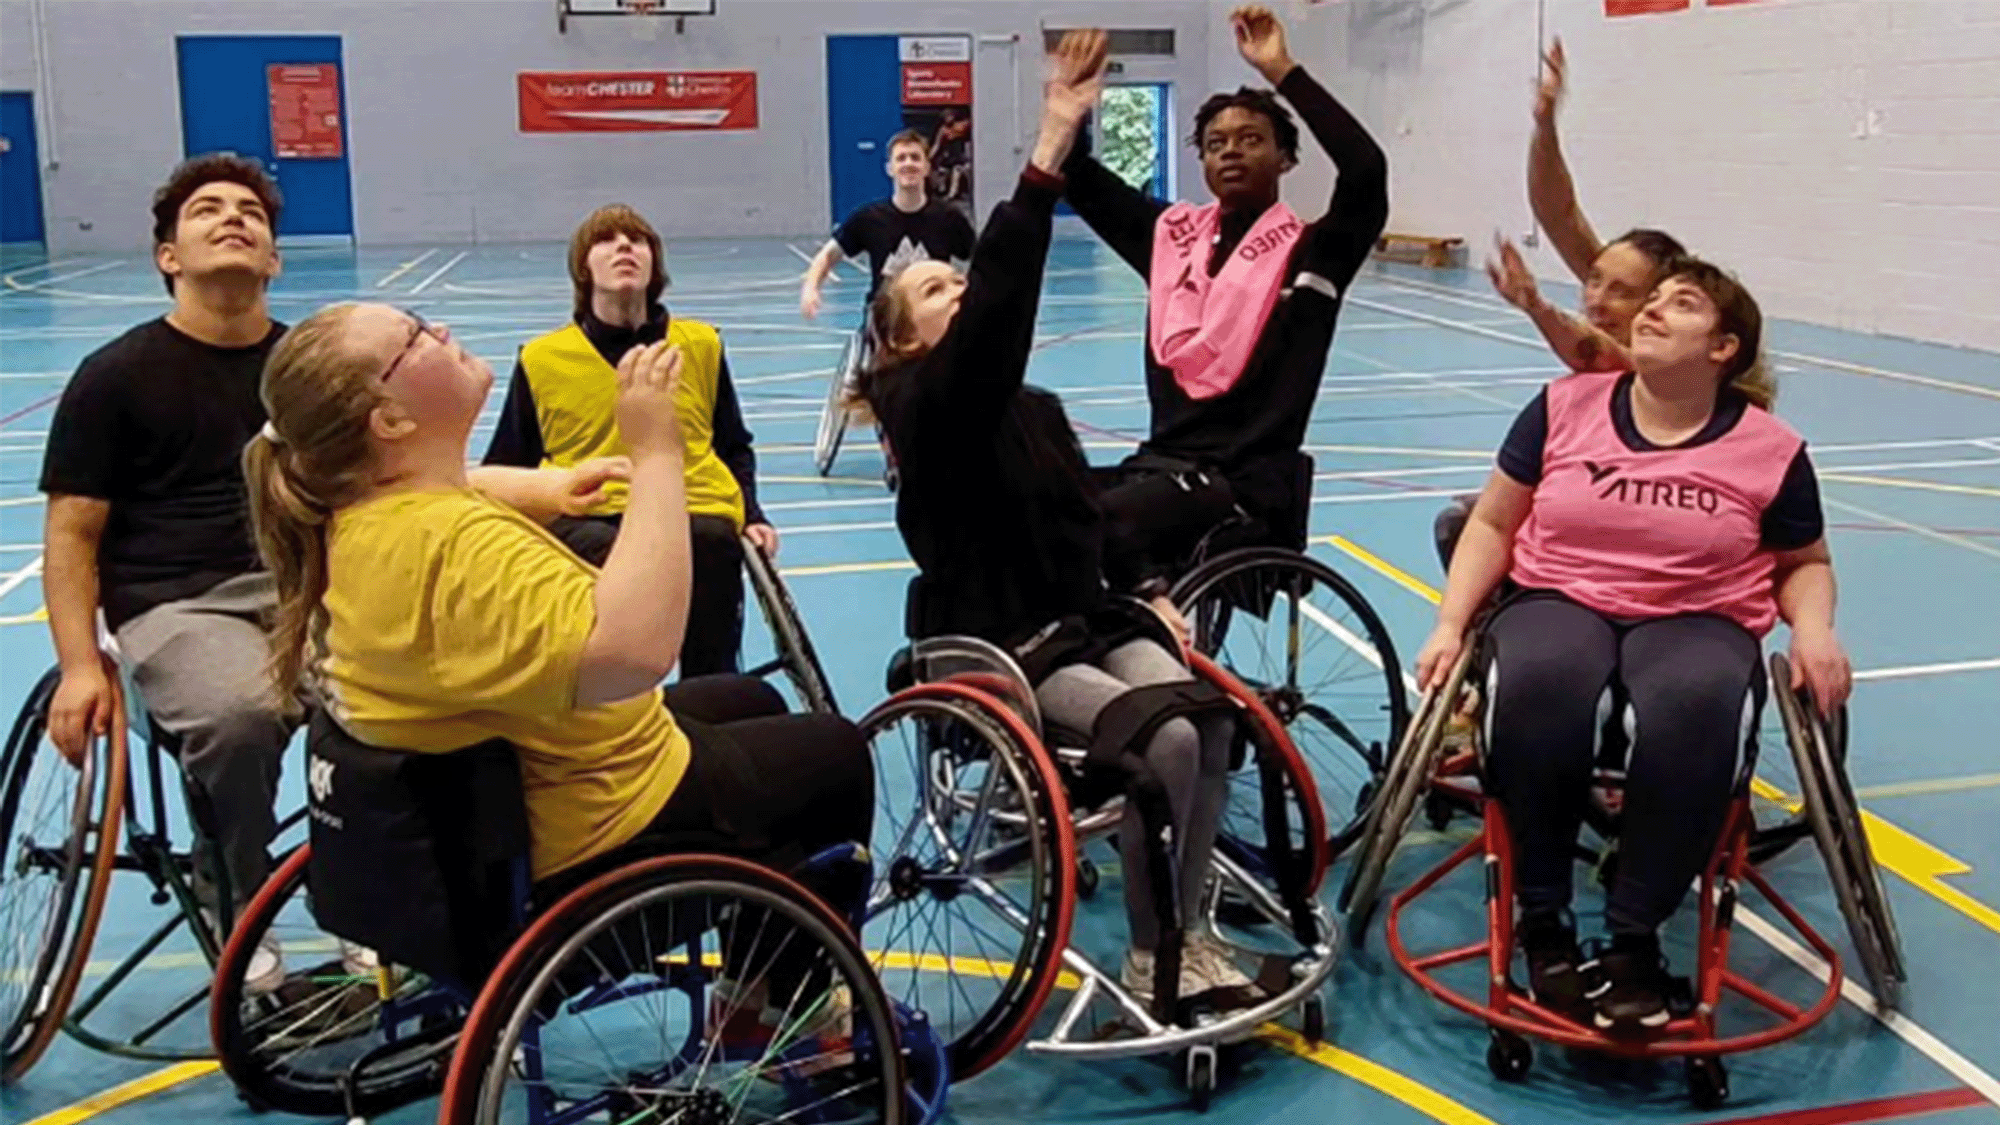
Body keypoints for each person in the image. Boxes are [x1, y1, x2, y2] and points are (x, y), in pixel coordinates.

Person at [245, 304, 875, 1039]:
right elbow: (638, 651)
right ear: (387, 420)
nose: (441, 331)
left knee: (750, 694)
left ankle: (752, 976)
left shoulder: (359, 514)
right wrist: (657, 453)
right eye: (415, 336)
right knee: (833, 753)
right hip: (595, 833)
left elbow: (453, 488)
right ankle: (784, 1014)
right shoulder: (456, 552)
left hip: (490, 809)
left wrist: (541, 487)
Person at [855, 29, 1258, 1010]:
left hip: (1080, 612)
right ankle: (1154, 949)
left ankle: (1188, 920)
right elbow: (992, 326)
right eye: (934, 288)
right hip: (995, 637)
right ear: (902, 337)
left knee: (1206, 721)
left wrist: (1151, 592)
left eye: (955, 278)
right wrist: (1046, 152)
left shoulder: (1030, 410)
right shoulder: (922, 406)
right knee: (1160, 739)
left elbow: (1094, 520)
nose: (957, 291)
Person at [1413, 260, 1852, 1035]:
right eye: (1650, 300)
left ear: (1725, 347)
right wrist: (1451, 623)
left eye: (1679, 305)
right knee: (1540, 684)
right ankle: (1542, 917)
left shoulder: (1770, 448)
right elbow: (1491, 523)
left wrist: (1814, 630)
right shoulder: (1563, 406)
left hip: (1698, 614)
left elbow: (1804, 563)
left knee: (1697, 706)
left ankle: (1633, 936)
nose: (1651, 310)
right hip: (1562, 597)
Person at [39, 155, 298, 944]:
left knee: (411, 699)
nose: (234, 217)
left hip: (302, 592)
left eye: (250, 211)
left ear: (274, 259)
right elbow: (72, 535)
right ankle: (238, 902)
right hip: (174, 602)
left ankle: (363, 892)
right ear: (169, 257)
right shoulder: (113, 376)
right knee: (243, 715)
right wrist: (83, 664)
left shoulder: (304, 370)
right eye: (208, 209)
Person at [1061, 5, 1390, 587]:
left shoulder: (1318, 252)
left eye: (1249, 140)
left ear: (1284, 158)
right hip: (1159, 466)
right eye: (1215, 144)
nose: (1230, 151)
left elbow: (1365, 170)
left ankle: (1150, 622)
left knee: (1104, 524)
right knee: (1034, 511)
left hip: (1245, 488)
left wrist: (1283, 70)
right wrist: (1075, 100)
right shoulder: (1169, 241)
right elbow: (1078, 175)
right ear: (1204, 163)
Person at [484, 204, 776, 678]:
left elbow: (732, 444)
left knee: (708, 539)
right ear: (584, 266)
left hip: (692, 503)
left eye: (637, 240)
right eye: (607, 240)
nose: (624, 247)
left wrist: (754, 513)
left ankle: (710, 689)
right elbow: (506, 463)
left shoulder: (700, 345)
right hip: (591, 510)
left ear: (654, 264)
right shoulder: (542, 359)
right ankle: (617, 699)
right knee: (600, 545)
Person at [1508, 37, 1688, 372]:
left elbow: (1600, 353)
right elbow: (1557, 213)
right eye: (1593, 281)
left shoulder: (1672, 373)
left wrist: (1537, 307)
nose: (1596, 302)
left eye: (1621, 292)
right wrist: (1545, 127)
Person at [799, 129, 977, 321]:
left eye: (915, 158)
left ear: (926, 168)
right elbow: (827, 255)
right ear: (889, 169)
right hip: (886, 322)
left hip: (933, 320)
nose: (908, 163)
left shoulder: (949, 218)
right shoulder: (868, 218)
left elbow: (980, 260)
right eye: (901, 158)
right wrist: (811, 288)